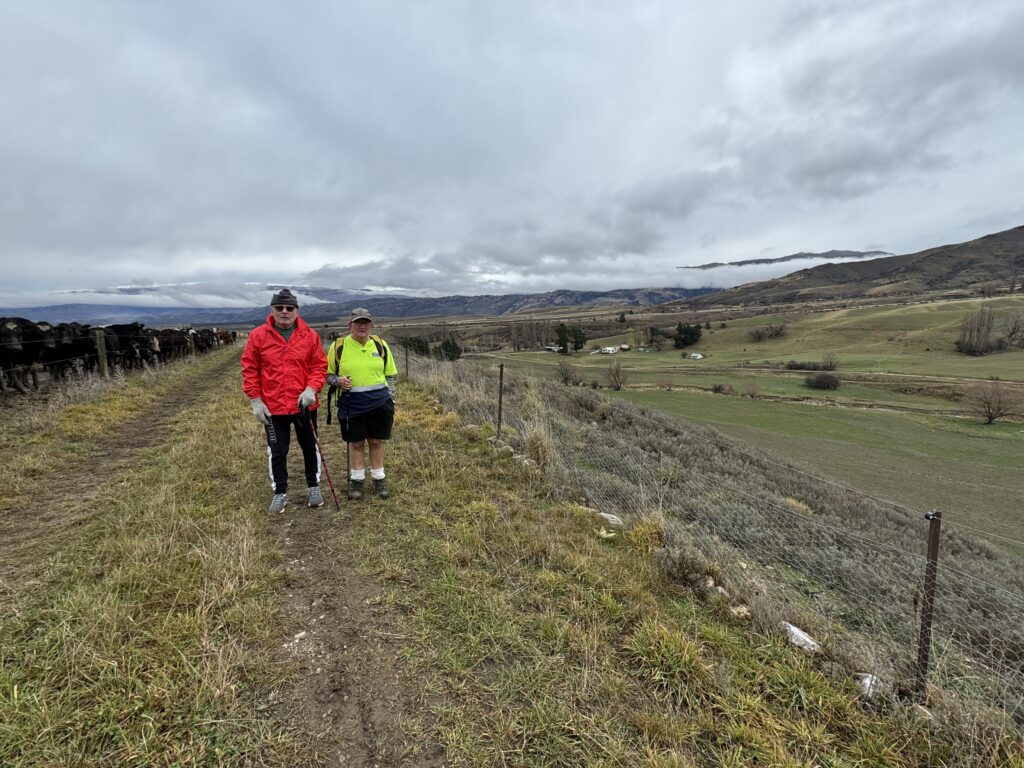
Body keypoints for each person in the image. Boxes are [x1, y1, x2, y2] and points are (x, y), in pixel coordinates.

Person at [241, 289, 328, 513]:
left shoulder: (310, 335)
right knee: (277, 451)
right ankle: (280, 492)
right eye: (279, 308)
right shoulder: (258, 336)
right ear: (272, 310)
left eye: (289, 308)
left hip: (304, 404)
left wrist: (311, 388)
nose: (284, 312)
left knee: (311, 447)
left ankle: (313, 487)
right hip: (273, 407)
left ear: (297, 311)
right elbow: (250, 369)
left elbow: (319, 366)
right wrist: (255, 399)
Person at [325, 308, 397, 499]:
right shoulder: (338, 346)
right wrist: (338, 381)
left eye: (366, 323)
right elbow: (328, 375)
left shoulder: (381, 345)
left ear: (372, 326)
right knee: (356, 443)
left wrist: (391, 398)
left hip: (380, 402)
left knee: (376, 441)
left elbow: (390, 375)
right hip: (351, 403)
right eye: (358, 323)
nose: (362, 326)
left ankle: (379, 479)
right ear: (350, 326)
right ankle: (357, 482)